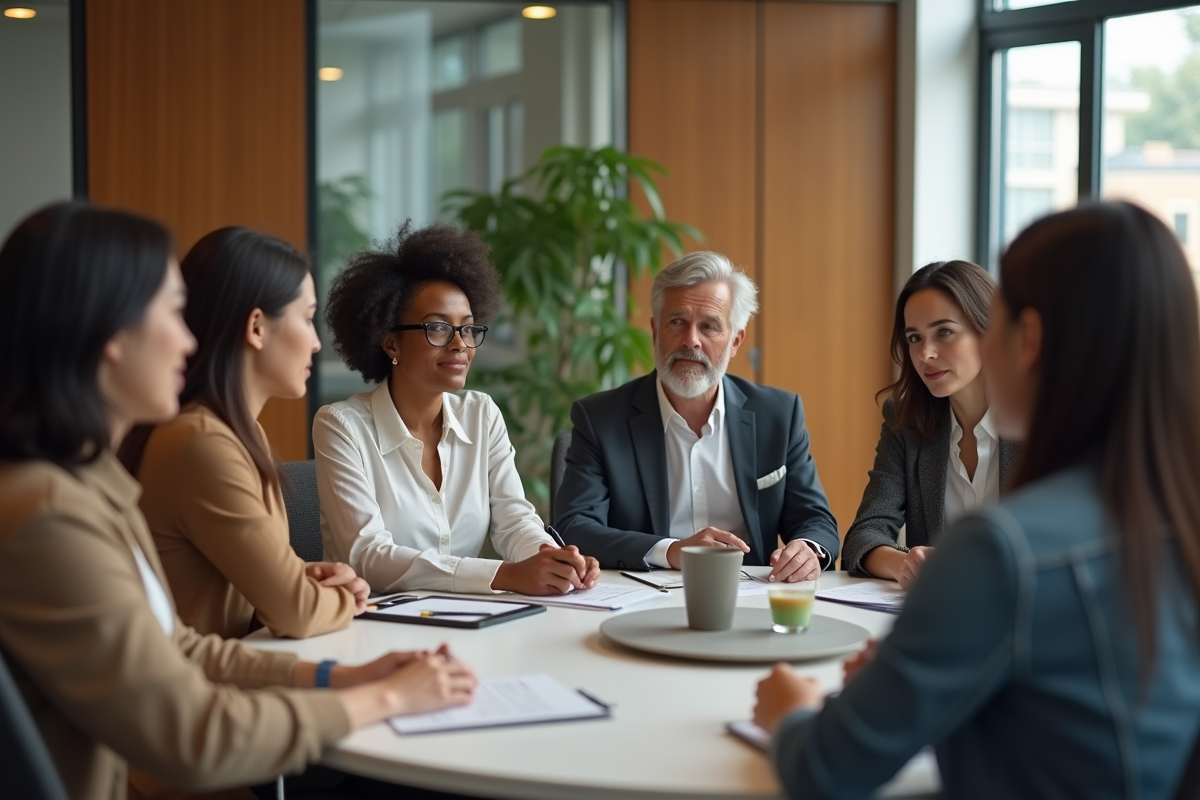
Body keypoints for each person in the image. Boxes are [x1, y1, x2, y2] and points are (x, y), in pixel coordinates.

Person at [0, 202, 476, 800]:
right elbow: (190, 737)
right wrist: (382, 698)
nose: (188, 337)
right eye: (171, 312)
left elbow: (179, 648)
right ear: (106, 332)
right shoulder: (50, 513)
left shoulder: (86, 484)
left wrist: (342, 676)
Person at [753, 202, 1200, 799]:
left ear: (1027, 338)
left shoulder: (1003, 550)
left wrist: (793, 711)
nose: (931, 354)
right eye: (916, 339)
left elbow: (825, 770)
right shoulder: (1172, 509)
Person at [315, 221, 599, 595]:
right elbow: (368, 555)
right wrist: (503, 575)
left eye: (467, 329)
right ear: (391, 344)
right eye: (437, 328)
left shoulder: (481, 415)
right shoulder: (341, 426)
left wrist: (553, 559)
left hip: (465, 619)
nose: (459, 345)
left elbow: (514, 521)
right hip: (375, 626)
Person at [118, 227, 369, 640]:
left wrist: (304, 578)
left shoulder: (236, 431)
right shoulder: (202, 443)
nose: (316, 343)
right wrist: (346, 599)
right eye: (307, 319)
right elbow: (297, 614)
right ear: (256, 327)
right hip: (200, 688)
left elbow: (245, 591)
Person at [555, 251, 839, 580]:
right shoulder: (601, 419)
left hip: (750, 594)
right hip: (644, 593)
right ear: (655, 331)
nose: (691, 340)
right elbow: (574, 527)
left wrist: (807, 548)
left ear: (735, 341)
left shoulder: (778, 415)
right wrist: (671, 550)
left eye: (709, 326)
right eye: (677, 322)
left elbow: (816, 520)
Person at [841, 261, 1019, 588]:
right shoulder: (905, 420)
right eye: (914, 338)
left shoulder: (1037, 420)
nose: (925, 354)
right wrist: (905, 563)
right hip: (942, 614)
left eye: (944, 332)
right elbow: (863, 536)